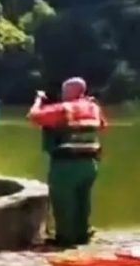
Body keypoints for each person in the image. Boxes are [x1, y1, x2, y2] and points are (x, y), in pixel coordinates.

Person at [27, 77, 107, 247]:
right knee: (82, 201)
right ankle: (82, 234)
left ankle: (65, 238)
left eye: (64, 91)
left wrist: (39, 100)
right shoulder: (94, 107)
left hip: (67, 164)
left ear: (70, 92)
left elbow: (33, 117)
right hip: (90, 163)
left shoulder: (65, 108)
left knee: (63, 202)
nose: (62, 94)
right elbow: (102, 126)